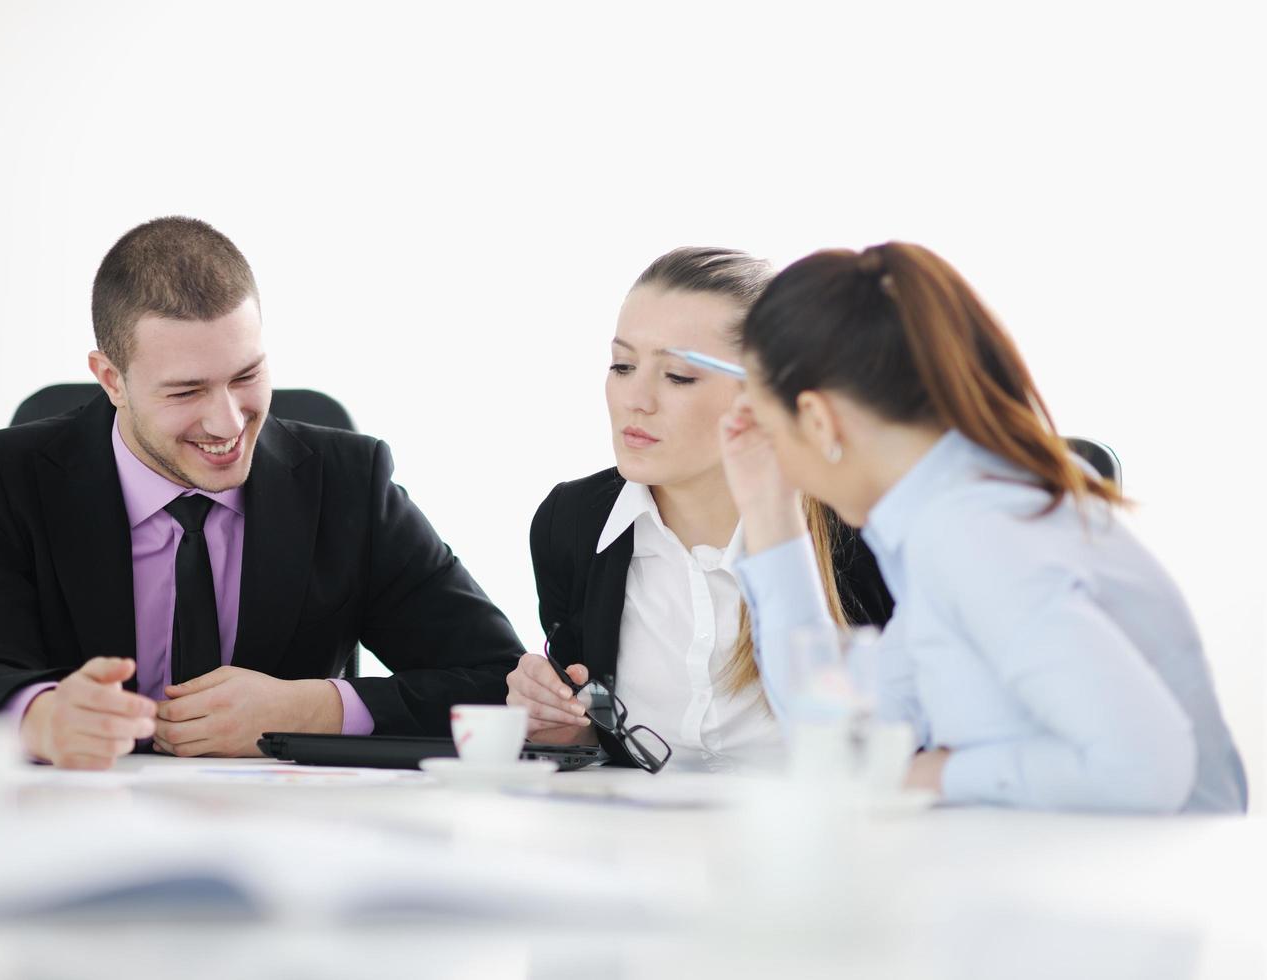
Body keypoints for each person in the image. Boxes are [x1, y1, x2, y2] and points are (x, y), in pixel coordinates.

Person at [0, 217, 522, 769]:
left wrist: (310, 709)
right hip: (70, 829)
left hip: (290, 835)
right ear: (112, 380)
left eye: (246, 376)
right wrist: (44, 717)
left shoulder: (349, 482)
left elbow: (498, 680)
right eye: (186, 392)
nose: (229, 423)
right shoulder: (1, 477)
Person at [720, 241, 1246, 811]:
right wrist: (768, 508)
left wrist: (937, 775)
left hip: (1129, 886)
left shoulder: (975, 534)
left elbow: (1141, 769)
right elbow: (837, 742)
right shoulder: (944, 524)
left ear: (818, 420)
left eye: (772, 429)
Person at [506, 247, 891, 770]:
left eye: (678, 376)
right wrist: (561, 729)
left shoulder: (861, 526)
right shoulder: (571, 525)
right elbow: (601, 742)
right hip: (637, 845)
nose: (635, 399)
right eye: (622, 365)